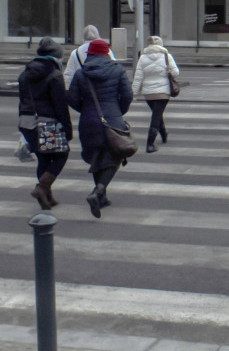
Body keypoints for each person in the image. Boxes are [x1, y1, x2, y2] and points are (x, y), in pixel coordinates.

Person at [67, 38, 133, 219]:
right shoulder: (118, 70)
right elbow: (127, 96)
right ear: (106, 53)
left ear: (90, 54)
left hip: (88, 120)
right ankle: (98, 191)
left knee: (96, 157)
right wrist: (118, 112)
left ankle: (101, 198)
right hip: (112, 118)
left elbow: (71, 98)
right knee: (115, 156)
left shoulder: (81, 73)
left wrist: (86, 110)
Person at [18, 38, 72, 210]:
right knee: (61, 154)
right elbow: (61, 106)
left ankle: (47, 197)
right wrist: (68, 129)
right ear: (56, 56)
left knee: (43, 157)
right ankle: (42, 188)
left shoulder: (26, 73)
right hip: (47, 122)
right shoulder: (55, 75)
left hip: (27, 122)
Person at [131, 35, 179, 153]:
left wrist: (133, 92)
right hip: (163, 92)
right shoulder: (167, 56)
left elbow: (138, 77)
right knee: (156, 116)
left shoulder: (143, 58)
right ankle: (150, 144)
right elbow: (176, 73)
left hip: (149, 94)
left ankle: (164, 134)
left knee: (157, 114)